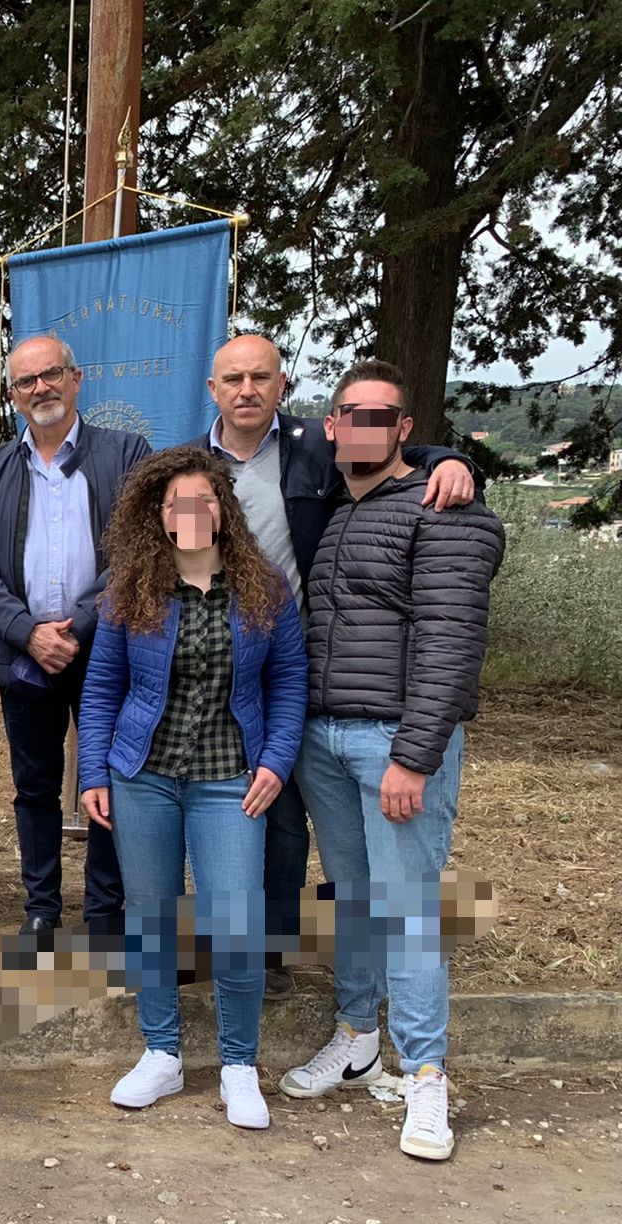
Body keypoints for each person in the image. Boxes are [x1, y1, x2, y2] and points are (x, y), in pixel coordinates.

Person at [190, 334, 479, 998]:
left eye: (260, 376)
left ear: (281, 384)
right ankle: (228, 941)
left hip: (298, 666)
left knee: (288, 818)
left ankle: (276, 949)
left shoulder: (315, 449)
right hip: (214, 669)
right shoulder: (189, 463)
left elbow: (394, 456)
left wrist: (453, 459)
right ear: (213, 390)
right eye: (232, 378)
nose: (246, 389)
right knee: (227, 807)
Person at [278, 360, 504, 1163]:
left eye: (384, 415)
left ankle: (427, 1075)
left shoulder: (449, 513)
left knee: (408, 912)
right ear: (332, 425)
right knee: (352, 900)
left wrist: (413, 755)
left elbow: (449, 645)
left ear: (406, 429)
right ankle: (356, 1036)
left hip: (396, 746)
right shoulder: (336, 510)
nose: (364, 427)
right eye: (349, 413)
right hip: (324, 741)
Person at [76, 449, 307, 1131]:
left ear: (223, 509)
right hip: (142, 775)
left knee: (235, 920)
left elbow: (290, 681)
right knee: (151, 918)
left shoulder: (263, 586)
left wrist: (277, 760)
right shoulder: (131, 587)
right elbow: (101, 689)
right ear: (159, 515)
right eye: (177, 504)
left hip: (231, 778)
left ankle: (239, 1064)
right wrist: (94, 771)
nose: (192, 514)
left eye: (203, 501)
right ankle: (162, 1053)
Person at [0, 334, 151, 938]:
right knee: (34, 783)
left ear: (76, 378)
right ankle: (42, 908)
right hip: (25, 656)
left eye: (51, 375)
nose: (40, 388)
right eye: (26, 381)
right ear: (14, 395)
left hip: (109, 649)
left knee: (110, 778)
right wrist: (27, 632)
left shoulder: (126, 453)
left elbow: (143, 547)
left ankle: (103, 911)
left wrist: (83, 622)